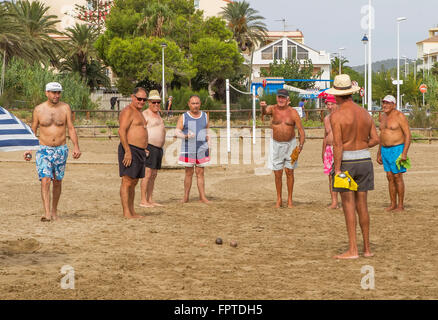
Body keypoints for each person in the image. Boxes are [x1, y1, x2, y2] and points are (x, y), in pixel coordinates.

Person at [326, 74, 379, 259]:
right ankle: (367, 249)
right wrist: (362, 147)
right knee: (362, 205)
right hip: (365, 160)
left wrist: (338, 169)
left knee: (348, 205)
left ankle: (352, 250)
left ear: (337, 95)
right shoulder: (364, 113)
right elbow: (376, 139)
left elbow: (338, 145)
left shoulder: (337, 116)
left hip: (347, 162)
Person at [24, 82, 81, 222]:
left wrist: (76, 146)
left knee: (57, 181)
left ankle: (54, 211)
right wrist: (28, 148)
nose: (56, 95)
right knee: (45, 180)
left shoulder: (65, 108)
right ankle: (47, 213)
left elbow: (71, 128)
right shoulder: (38, 110)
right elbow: (33, 129)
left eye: (58, 92)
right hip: (44, 149)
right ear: (46, 93)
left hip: (61, 149)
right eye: (53, 92)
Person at [262, 88, 305, 208]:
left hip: (291, 145)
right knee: (277, 173)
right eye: (279, 97)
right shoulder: (273, 109)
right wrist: (262, 107)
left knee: (290, 171)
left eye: (283, 97)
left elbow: (301, 131)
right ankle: (279, 198)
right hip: (276, 144)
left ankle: (290, 199)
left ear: (288, 100)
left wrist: (300, 147)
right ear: (277, 98)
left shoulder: (293, 113)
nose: (281, 99)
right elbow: (265, 112)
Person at [377, 95, 411, 212]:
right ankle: (392, 204)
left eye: (388, 103)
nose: (385, 105)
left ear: (394, 105)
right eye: (383, 102)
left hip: (397, 149)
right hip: (385, 150)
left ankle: (400, 205)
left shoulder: (399, 116)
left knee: (397, 176)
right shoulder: (382, 117)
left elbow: (408, 135)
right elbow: (381, 136)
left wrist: (404, 153)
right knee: (389, 177)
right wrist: (378, 153)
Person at [118, 87, 149, 219]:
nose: (141, 101)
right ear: (132, 97)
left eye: (144, 99)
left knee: (134, 181)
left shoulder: (139, 112)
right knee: (127, 181)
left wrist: (144, 147)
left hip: (139, 151)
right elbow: (122, 131)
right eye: (139, 98)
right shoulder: (128, 111)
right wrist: (128, 151)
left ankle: (132, 210)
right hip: (130, 149)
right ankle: (126, 212)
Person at [175, 95, 210, 203]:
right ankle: (185, 197)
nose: (195, 106)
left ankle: (202, 197)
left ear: (200, 104)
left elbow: (207, 131)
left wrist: (209, 145)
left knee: (200, 173)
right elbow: (177, 132)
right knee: (188, 173)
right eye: (193, 103)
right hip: (188, 149)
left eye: (197, 103)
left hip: (202, 149)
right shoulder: (184, 116)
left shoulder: (205, 116)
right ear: (189, 104)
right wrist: (185, 136)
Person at [140, 90, 166, 208]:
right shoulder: (145, 114)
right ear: (149, 102)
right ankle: (143, 200)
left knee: (154, 174)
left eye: (158, 102)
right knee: (147, 174)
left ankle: (150, 199)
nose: (156, 104)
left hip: (158, 149)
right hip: (149, 147)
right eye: (154, 102)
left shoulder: (159, 114)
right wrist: (143, 146)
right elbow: (140, 131)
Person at [322, 94, 340, 209]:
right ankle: (334, 201)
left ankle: (346, 200)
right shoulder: (326, 119)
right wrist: (323, 151)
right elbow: (325, 135)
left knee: (341, 174)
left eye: (331, 104)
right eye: (327, 104)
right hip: (329, 149)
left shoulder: (342, 117)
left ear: (336, 104)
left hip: (340, 148)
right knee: (330, 175)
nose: (329, 107)